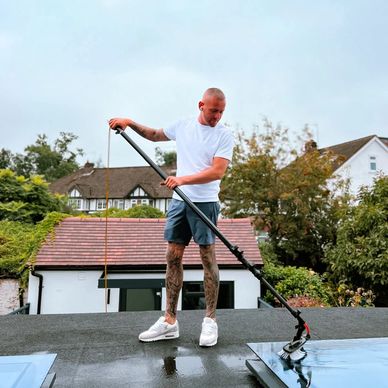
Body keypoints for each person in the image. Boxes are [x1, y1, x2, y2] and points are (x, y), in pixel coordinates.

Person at [109, 87, 234, 347]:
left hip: (206, 203)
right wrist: (129, 123)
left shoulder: (224, 134)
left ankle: (210, 321)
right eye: (213, 111)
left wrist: (182, 179)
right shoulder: (183, 126)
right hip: (179, 203)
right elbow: (154, 135)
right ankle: (169, 321)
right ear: (201, 105)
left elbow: (217, 171)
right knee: (173, 257)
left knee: (207, 257)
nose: (217, 117)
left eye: (221, 112)